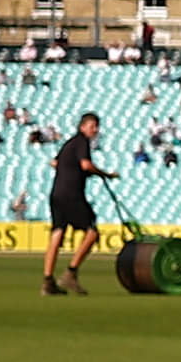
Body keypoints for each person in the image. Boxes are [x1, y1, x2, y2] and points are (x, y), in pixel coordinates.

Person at [40, 111, 117, 294]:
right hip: (72, 194)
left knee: (57, 233)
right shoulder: (82, 141)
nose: (95, 130)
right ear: (83, 127)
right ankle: (71, 273)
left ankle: (48, 280)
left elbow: (55, 163)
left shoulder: (69, 143)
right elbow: (85, 164)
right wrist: (105, 174)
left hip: (57, 193)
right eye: (93, 126)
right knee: (92, 232)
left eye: (97, 127)